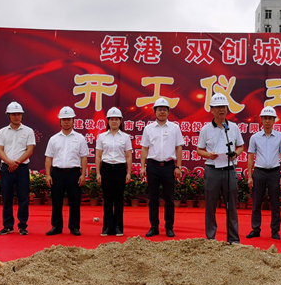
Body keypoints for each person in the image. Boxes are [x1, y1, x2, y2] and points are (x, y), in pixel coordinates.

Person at [197, 93, 245, 243]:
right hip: (212, 170)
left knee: (232, 206)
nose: (221, 110)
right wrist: (208, 155)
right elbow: (199, 149)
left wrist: (235, 154)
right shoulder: (205, 129)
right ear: (211, 110)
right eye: (218, 107)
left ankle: (233, 239)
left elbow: (241, 146)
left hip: (229, 170)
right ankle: (211, 237)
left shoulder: (233, 127)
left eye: (223, 107)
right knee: (211, 205)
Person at [140, 97, 184, 237]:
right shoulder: (148, 128)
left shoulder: (174, 128)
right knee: (153, 198)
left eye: (165, 110)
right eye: (159, 110)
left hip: (169, 166)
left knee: (169, 198)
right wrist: (142, 167)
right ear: (155, 112)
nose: (162, 112)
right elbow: (144, 148)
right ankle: (154, 226)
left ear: (168, 112)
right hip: (153, 165)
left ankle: (169, 227)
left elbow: (179, 147)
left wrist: (178, 166)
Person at [45, 106, 89, 236]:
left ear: (73, 121)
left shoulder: (80, 138)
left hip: (74, 173)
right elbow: (48, 158)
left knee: (75, 200)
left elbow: (84, 157)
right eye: (64, 119)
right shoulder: (54, 139)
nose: (66, 122)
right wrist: (48, 175)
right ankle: (56, 226)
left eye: (69, 119)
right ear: (60, 121)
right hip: (57, 173)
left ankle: (74, 227)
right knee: (56, 200)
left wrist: (83, 174)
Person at [245, 106, 281, 240]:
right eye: (265, 118)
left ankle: (275, 230)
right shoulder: (255, 137)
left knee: (275, 203)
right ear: (261, 120)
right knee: (256, 203)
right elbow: (250, 157)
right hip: (259, 172)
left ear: (274, 120)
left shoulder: (280, 137)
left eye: (270, 118)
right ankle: (255, 229)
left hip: (274, 172)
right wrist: (250, 177)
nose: (267, 121)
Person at [0, 101, 36, 236]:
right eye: (13, 114)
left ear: (22, 115)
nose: (16, 117)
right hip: (6, 168)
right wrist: (9, 162)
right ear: (8, 116)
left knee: (23, 197)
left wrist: (17, 163)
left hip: (22, 168)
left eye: (19, 114)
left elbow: (30, 150)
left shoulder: (28, 131)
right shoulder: (2, 131)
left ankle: (23, 225)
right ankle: (8, 226)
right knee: (7, 197)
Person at [95, 107, 133, 237]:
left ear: (121, 121)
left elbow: (128, 156)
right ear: (108, 121)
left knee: (118, 199)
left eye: (117, 119)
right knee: (107, 199)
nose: (114, 121)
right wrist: (98, 173)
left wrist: (128, 173)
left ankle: (118, 227)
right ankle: (107, 227)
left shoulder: (126, 137)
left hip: (119, 169)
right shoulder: (101, 137)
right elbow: (98, 156)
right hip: (106, 168)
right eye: (112, 119)